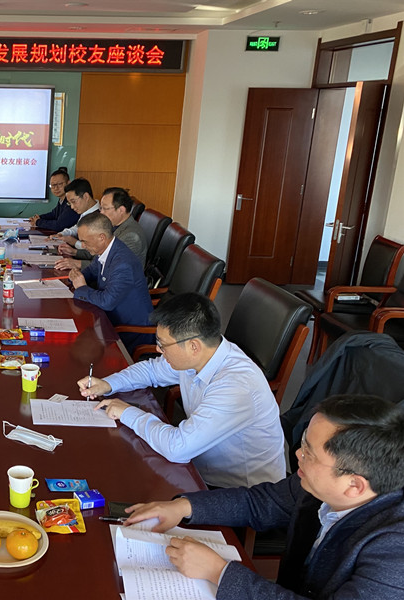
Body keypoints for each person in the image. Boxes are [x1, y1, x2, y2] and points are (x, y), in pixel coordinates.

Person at [123, 395, 404, 600]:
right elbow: (260, 502)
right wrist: (183, 506)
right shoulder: (317, 484)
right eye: (303, 443)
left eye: (309, 453)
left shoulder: (395, 550)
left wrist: (219, 572)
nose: (297, 454)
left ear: (354, 485)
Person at [79, 292, 286, 488]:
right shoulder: (202, 354)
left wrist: (126, 412)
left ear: (193, 346)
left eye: (163, 345)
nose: (158, 350)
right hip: (199, 463)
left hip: (239, 491)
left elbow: (178, 448)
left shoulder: (236, 386)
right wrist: (107, 384)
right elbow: (152, 370)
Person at [67, 211, 153, 353]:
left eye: (85, 241)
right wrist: (76, 276)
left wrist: (81, 287)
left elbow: (107, 301)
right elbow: (91, 271)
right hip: (108, 319)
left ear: (101, 237)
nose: (82, 245)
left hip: (130, 331)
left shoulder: (123, 264)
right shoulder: (106, 250)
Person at [56, 187, 147, 268]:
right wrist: (74, 252)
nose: (101, 213)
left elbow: (108, 266)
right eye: (101, 208)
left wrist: (78, 264)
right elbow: (98, 251)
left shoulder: (131, 236)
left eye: (105, 208)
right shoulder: (114, 225)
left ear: (121, 210)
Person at [50, 177, 99, 250]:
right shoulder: (86, 212)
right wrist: (62, 234)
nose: (72, 207)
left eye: (73, 201)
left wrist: (74, 242)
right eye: (69, 203)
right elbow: (77, 228)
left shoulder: (99, 217)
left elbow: (95, 249)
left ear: (86, 197)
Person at [30, 167, 79, 231]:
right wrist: (39, 217)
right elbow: (54, 214)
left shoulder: (72, 201)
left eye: (60, 184)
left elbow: (59, 225)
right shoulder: (62, 199)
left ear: (68, 183)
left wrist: (38, 221)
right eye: (53, 185)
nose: (56, 188)